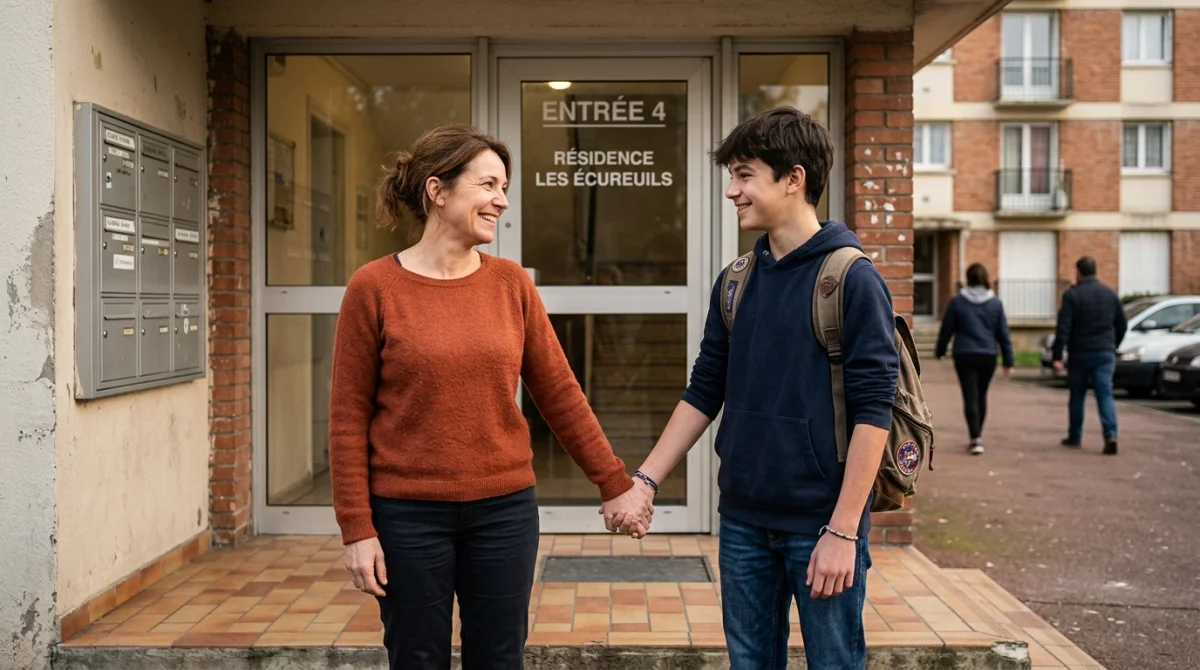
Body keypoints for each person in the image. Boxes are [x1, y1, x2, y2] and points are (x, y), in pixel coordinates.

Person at [327, 124, 654, 669]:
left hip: (504, 513)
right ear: (438, 190)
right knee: (416, 658)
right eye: (488, 185)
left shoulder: (510, 285)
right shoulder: (374, 287)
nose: (502, 200)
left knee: (500, 659)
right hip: (407, 516)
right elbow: (346, 419)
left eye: (504, 187)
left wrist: (614, 482)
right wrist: (356, 529)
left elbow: (560, 394)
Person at [609, 107, 899, 670]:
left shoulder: (851, 279)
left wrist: (843, 531)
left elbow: (874, 412)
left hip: (822, 526)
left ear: (793, 178)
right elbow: (703, 390)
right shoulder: (736, 281)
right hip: (743, 521)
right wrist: (645, 480)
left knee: (835, 662)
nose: (731, 191)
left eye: (744, 175)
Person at [934, 263, 1015, 455]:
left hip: (964, 354)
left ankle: (975, 437)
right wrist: (1008, 361)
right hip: (988, 354)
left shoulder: (957, 302)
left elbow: (947, 328)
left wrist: (940, 350)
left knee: (969, 395)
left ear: (968, 279)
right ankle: (978, 435)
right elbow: (1003, 333)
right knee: (981, 395)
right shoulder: (995, 303)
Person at [1051, 256, 1127, 455]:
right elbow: (1122, 323)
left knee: (1077, 394)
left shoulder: (1072, 295)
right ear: (1095, 271)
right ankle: (1110, 434)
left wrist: (1057, 355)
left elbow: (1064, 327)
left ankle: (1075, 435)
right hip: (1104, 351)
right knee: (1105, 394)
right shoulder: (1110, 294)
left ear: (1078, 272)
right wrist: (1113, 344)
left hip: (1080, 353)